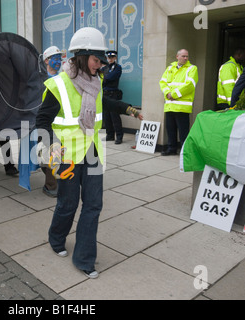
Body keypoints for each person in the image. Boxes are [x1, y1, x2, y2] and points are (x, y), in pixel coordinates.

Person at [36, 27, 143, 279]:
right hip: (68, 155)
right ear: (82, 56)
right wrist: (50, 144)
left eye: (102, 61)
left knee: (93, 205)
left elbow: (103, 102)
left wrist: (129, 109)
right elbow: (41, 120)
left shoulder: (97, 81)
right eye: (97, 60)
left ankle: (84, 259)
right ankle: (56, 238)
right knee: (68, 203)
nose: (101, 65)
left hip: (92, 153)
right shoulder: (57, 85)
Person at [159, 49, 198, 156]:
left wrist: (173, 94)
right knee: (170, 129)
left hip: (182, 107)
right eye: (183, 56)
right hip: (170, 105)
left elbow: (190, 85)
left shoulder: (192, 68)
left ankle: (185, 151)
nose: (185, 58)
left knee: (183, 132)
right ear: (177, 56)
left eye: (187, 56)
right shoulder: (170, 68)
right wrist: (167, 93)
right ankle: (172, 149)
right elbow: (163, 82)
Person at [41, 46, 64, 197]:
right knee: (48, 155)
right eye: (55, 58)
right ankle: (51, 183)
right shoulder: (40, 79)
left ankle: (51, 184)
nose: (58, 61)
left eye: (60, 58)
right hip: (43, 122)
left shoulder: (63, 79)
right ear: (47, 60)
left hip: (59, 124)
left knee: (54, 155)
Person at [101, 50, 124, 144]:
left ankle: (119, 136)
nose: (110, 59)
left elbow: (110, 77)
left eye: (112, 57)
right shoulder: (104, 68)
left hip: (113, 94)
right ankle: (110, 135)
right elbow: (101, 78)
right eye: (109, 57)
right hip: (105, 94)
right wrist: (106, 78)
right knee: (106, 117)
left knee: (115, 117)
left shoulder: (118, 67)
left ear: (115, 58)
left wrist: (105, 78)